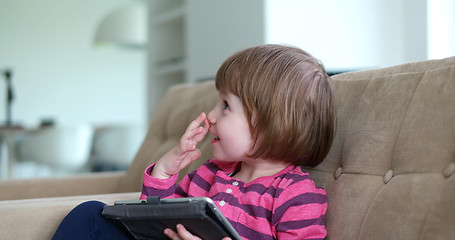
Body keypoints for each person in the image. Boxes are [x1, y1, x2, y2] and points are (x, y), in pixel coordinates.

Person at [52, 44, 335, 240]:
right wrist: (164, 171)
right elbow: (155, 223)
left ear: (274, 124)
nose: (210, 116)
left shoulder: (294, 196)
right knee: (89, 214)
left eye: (225, 106)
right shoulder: (208, 174)